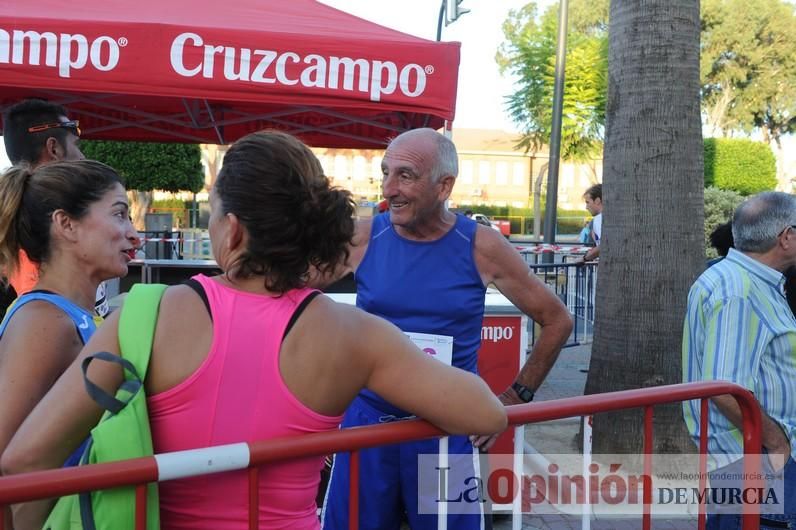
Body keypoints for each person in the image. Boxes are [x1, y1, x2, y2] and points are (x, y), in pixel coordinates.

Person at [0, 131, 507, 530]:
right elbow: (483, 411)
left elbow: (25, 460)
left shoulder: (142, 313)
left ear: (233, 228)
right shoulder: (354, 333)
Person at [320, 128, 573, 530]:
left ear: (444, 186)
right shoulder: (365, 237)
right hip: (367, 427)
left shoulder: (481, 245)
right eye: (386, 173)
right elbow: (290, 295)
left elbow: (557, 319)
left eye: (405, 175)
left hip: (446, 431)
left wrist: (513, 399)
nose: (389, 189)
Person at [0, 160, 140, 474]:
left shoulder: (68, 316)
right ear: (66, 224)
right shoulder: (44, 322)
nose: (134, 235)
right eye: (119, 214)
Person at [682, 192, 796, 529]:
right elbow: (725, 388)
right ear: (786, 237)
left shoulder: (740, 280)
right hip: (754, 465)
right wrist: (777, 444)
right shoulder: (739, 291)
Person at [1, 98, 113, 317]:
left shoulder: (16, 218)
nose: (82, 157)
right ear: (54, 148)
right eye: (76, 146)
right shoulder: (44, 228)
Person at [581, 183, 602, 262]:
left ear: (597, 201)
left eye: (587, 202)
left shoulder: (598, 219)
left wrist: (584, 258)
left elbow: (603, 246)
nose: (586, 207)